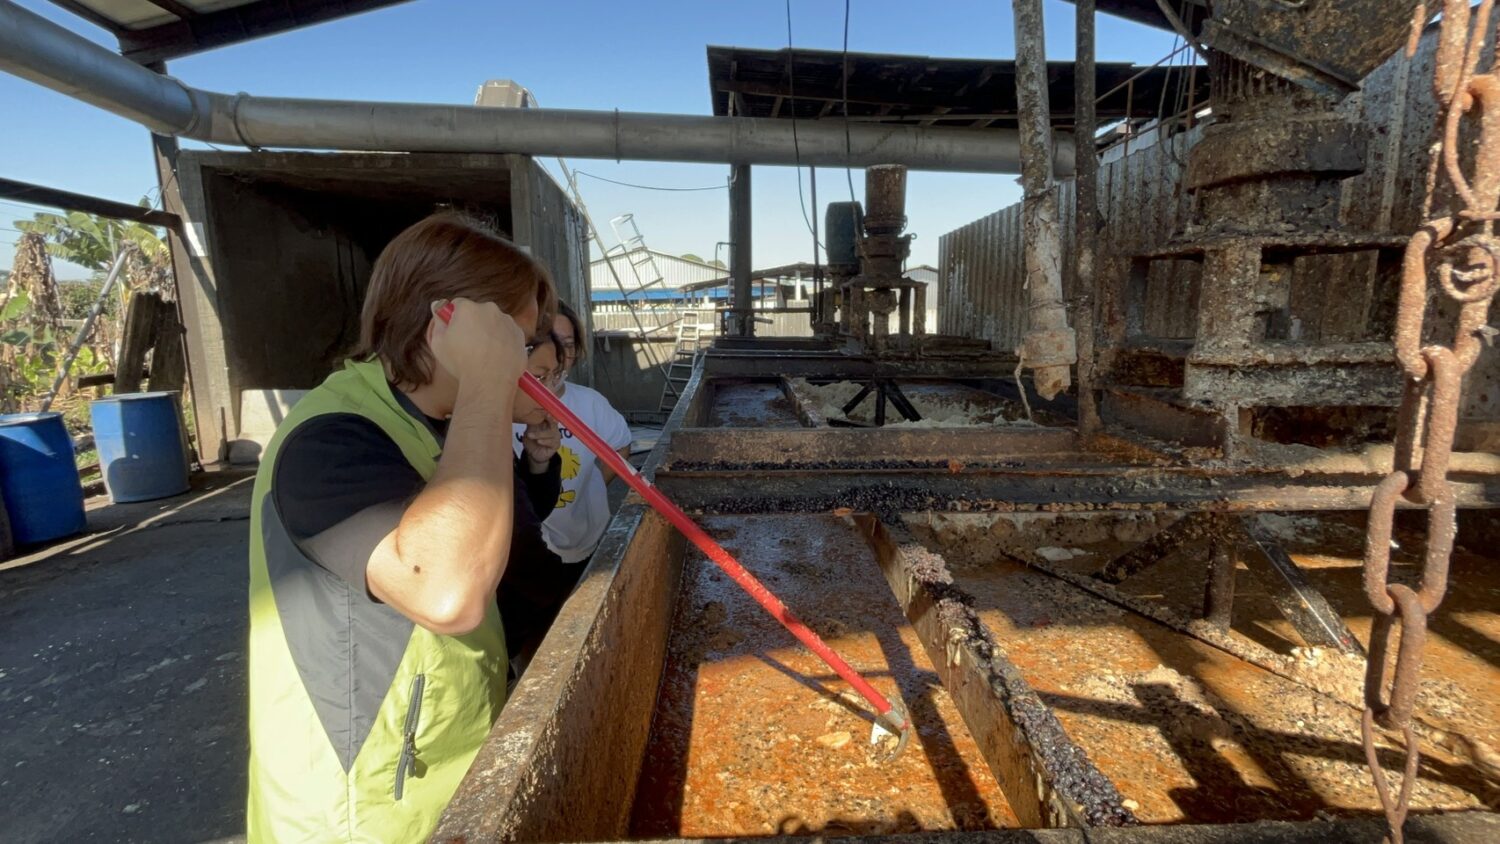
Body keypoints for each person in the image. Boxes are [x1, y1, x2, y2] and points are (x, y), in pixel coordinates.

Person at [245, 212, 559, 843]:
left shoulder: (439, 428)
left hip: (445, 775)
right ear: (445, 321)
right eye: (515, 343)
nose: (528, 364)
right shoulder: (329, 437)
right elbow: (446, 590)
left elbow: (519, 572)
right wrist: (490, 386)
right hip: (367, 810)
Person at [510, 302, 632, 596]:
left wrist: (591, 487)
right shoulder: (507, 414)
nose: (560, 355)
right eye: (551, 342)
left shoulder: (590, 403)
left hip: (586, 537)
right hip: (532, 548)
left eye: (568, 344)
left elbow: (620, 445)